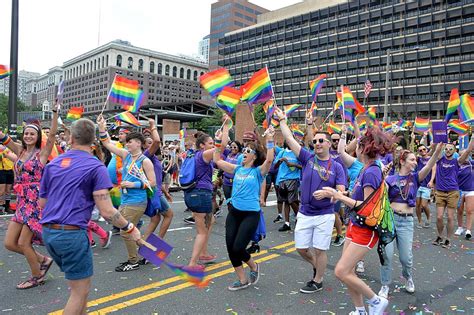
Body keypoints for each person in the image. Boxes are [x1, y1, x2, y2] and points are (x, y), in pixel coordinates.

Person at [39, 118, 141, 314]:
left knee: (79, 290)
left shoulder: (53, 165)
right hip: (71, 234)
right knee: (79, 292)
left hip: (49, 233)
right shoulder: (95, 167)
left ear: (70, 138)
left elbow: (43, 203)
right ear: (93, 140)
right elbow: (107, 211)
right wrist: (130, 227)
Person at [322, 127, 396, 315]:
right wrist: (344, 193)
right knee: (349, 272)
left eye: (359, 144)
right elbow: (360, 195)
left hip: (365, 229)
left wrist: (337, 195)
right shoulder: (366, 168)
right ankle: (360, 310)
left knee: (341, 271)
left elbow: (366, 206)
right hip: (355, 225)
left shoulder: (371, 171)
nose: (355, 147)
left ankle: (376, 301)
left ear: (363, 148)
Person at [275, 108, 346, 294]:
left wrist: (328, 193)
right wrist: (283, 121)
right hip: (305, 212)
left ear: (329, 144)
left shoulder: (337, 167)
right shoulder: (307, 158)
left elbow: (341, 191)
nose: (317, 143)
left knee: (320, 249)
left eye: (321, 140)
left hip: (324, 215)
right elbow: (290, 140)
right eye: (314, 141)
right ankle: (317, 266)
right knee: (301, 248)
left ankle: (318, 279)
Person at [2, 105, 59, 289]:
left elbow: (51, 137)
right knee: (10, 243)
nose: (28, 136)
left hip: (34, 201)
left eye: (32, 134)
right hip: (21, 200)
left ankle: (37, 276)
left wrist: (55, 114)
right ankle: (43, 260)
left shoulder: (41, 154)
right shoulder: (20, 151)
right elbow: (3, 138)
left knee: (24, 243)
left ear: (37, 137)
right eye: (26, 133)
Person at [213, 122, 274, 290]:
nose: (244, 153)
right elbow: (217, 160)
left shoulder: (258, 172)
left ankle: (253, 266)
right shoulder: (237, 169)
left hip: (250, 214)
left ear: (254, 156)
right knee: (230, 248)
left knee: (239, 247)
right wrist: (219, 140)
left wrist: (269, 138)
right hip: (234, 212)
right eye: (244, 150)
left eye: (249, 151)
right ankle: (242, 280)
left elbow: (269, 159)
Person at [378, 144, 443, 299]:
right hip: (390, 220)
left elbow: (429, 163)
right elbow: (381, 198)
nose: (415, 162)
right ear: (402, 161)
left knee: (405, 257)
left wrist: (437, 149)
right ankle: (385, 285)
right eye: (412, 160)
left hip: (406, 222)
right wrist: (382, 178)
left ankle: (408, 278)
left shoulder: (415, 177)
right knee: (386, 255)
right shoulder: (390, 179)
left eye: (416, 160)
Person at [98, 116, 156, 272]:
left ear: (138, 143)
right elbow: (107, 143)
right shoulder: (126, 155)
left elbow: (153, 182)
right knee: (129, 229)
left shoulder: (145, 161)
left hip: (137, 201)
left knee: (125, 231)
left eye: (130, 141)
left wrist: (133, 184)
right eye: (127, 142)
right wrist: (102, 128)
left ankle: (133, 261)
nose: (127, 143)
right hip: (125, 199)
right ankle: (153, 252)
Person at [140, 120, 174, 265]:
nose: (150, 144)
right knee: (169, 215)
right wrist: (153, 127)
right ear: (143, 146)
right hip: (153, 194)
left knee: (155, 219)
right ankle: (155, 246)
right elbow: (157, 141)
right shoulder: (146, 155)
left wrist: (166, 192)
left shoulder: (152, 158)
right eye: (147, 142)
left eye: (150, 142)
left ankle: (144, 246)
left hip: (157, 192)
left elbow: (159, 178)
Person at [183, 131, 216, 267]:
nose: (213, 145)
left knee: (210, 221)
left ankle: (203, 253)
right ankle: (193, 263)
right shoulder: (203, 155)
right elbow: (221, 147)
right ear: (202, 145)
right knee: (201, 231)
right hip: (200, 194)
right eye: (210, 143)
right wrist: (225, 130)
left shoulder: (192, 155)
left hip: (192, 193)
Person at [433, 139, 473, 249]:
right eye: (446, 149)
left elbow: (468, 150)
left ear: (454, 150)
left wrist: (473, 136)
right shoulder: (440, 160)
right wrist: (439, 138)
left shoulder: (457, 161)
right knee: (439, 217)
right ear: (444, 150)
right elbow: (435, 150)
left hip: (453, 192)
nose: (448, 151)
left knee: (450, 217)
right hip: (440, 192)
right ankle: (439, 236)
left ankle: (448, 239)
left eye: (451, 149)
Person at [455, 144, 474, 240]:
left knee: (470, 210)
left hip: (470, 190)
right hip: (459, 190)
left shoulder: (472, 163)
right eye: (462, 155)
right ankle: (460, 227)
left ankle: (468, 230)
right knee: (459, 210)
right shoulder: (457, 165)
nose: (465, 157)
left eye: (466, 155)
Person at [0, 146, 16, 214]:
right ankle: (0, 207)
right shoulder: (1, 148)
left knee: (8, 191)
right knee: (1, 191)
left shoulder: (11, 148)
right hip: (1, 170)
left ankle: (7, 206)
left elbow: (15, 160)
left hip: (10, 170)